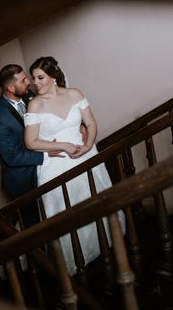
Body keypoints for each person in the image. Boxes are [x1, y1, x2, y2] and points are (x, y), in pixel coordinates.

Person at [24, 56, 124, 275]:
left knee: (94, 199)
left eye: (40, 77)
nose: (35, 82)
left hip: (85, 155)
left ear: (53, 76)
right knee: (65, 211)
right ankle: (76, 263)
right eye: (33, 78)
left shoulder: (74, 94)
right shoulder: (35, 104)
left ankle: (106, 245)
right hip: (55, 163)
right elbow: (30, 142)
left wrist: (88, 144)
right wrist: (65, 146)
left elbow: (90, 122)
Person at [0, 64, 54, 226]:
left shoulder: (28, 95)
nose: (29, 83)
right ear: (10, 87)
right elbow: (12, 157)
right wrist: (46, 155)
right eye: (23, 80)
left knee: (52, 212)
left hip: (43, 168)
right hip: (22, 179)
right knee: (34, 224)